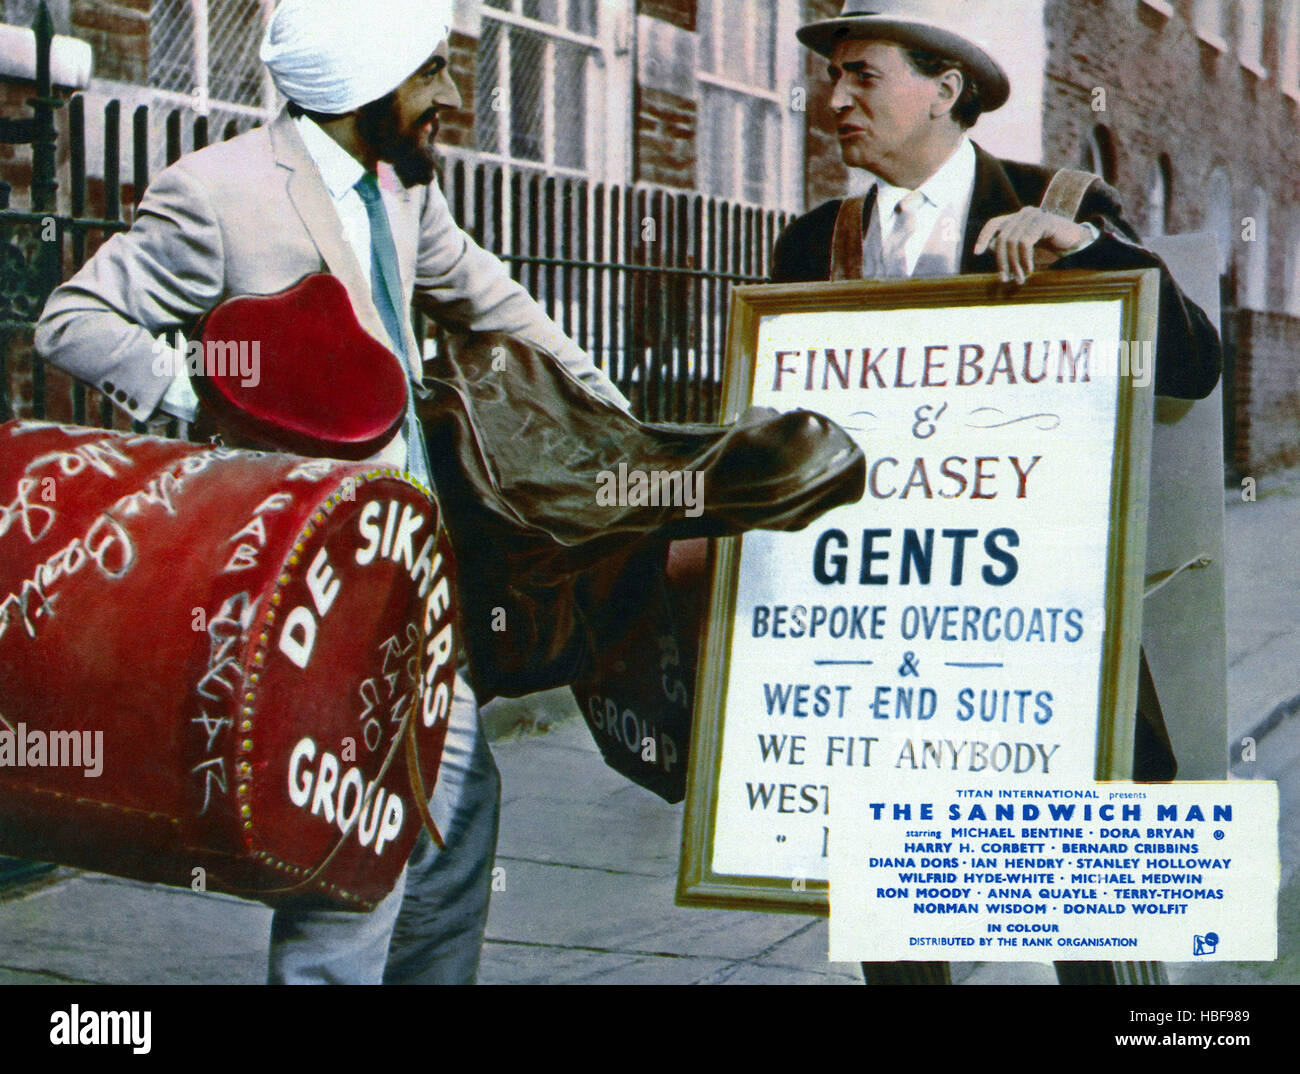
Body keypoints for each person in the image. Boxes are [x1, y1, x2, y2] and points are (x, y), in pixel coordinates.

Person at [35, 0, 628, 985]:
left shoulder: (403, 192)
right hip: (317, 581)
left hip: (418, 570)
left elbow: (502, 307)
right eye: (431, 72)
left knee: (455, 815)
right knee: (352, 859)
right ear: (365, 82)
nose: (448, 97)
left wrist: (622, 418)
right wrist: (218, 387)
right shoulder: (219, 190)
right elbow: (74, 318)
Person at [773, 0, 1223, 986]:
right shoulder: (814, 245)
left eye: (861, 74)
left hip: (1045, 655)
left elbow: (1191, 364)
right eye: (830, 76)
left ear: (945, 89)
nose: (834, 98)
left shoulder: (1059, 201)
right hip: (883, 660)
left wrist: (1090, 255)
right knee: (892, 935)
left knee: (1093, 947)